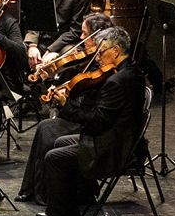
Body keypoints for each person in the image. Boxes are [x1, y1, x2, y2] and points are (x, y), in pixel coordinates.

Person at [24, 27, 144, 216]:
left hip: (113, 148)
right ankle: (65, 212)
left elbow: (97, 122)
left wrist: (66, 105)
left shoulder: (117, 81)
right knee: (59, 141)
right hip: (118, 137)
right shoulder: (130, 71)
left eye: (101, 52)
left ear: (116, 51)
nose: (97, 58)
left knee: (55, 157)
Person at [16, 20, 114, 204]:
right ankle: (32, 189)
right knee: (45, 126)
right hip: (78, 113)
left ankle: (46, 194)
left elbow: (89, 97)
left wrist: (66, 98)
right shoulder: (87, 58)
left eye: (86, 34)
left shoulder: (104, 67)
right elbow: (72, 73)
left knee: (48, 129)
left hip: (86, 120)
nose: (82, 37)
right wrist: (51, 76)